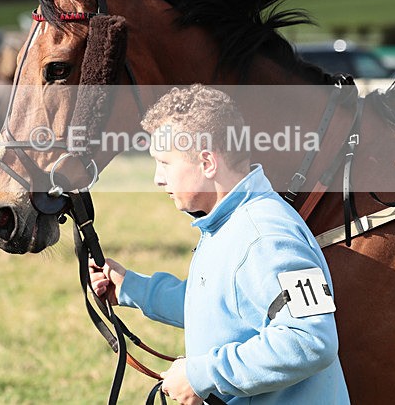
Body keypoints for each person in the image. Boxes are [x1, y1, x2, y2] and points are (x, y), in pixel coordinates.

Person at [90, 85, 349, 404]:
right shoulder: (227, 223)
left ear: (208, 163)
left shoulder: (269, 236)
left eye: (165, 163)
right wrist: (131, 288)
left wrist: (202, 375)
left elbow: (312, 339)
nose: (158, 178)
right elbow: (216, 305)